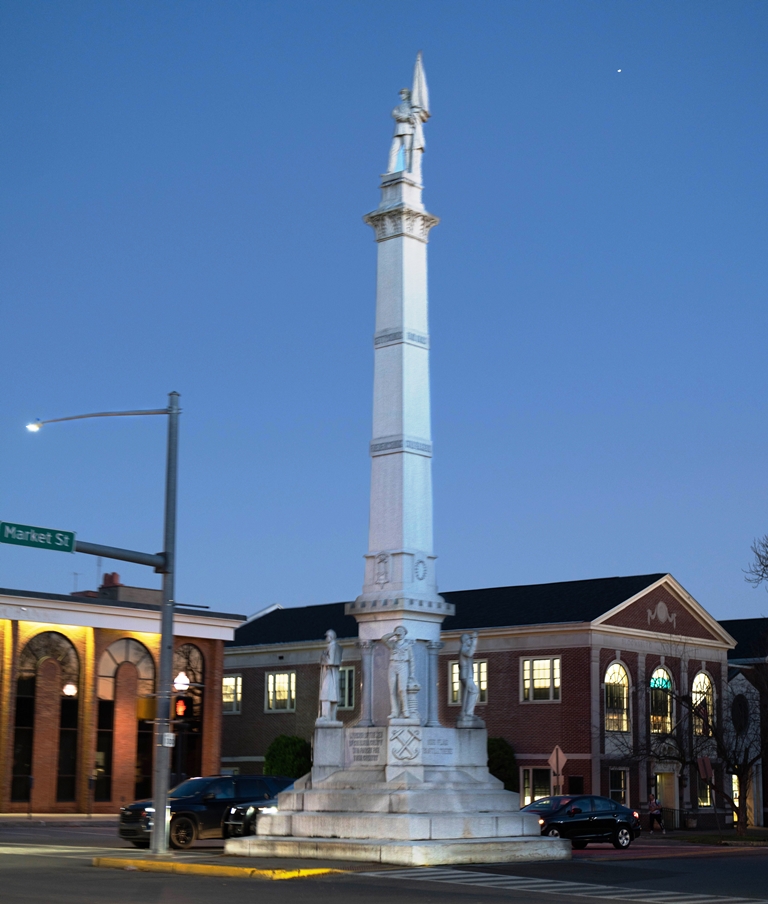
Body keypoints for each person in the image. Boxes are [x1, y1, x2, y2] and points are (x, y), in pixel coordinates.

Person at [317, 629, 342, 723]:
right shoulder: (335, 647)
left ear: (331, 637)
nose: (326, 638)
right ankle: (331, 717)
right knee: (332, 696)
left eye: (327, 636)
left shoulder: (333, 647)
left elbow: (331, 661)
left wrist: (323, 657)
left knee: (326, 695)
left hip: (330, 673)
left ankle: (326, 716)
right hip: (332, 673)